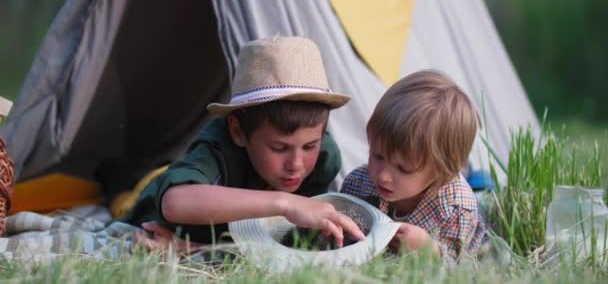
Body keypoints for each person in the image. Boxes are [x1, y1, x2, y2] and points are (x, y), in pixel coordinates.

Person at [121, 36, 365, 251]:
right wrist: (287, 203)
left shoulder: (325, 157)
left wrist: (193, 249)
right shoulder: (217, 149)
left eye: (309, 146)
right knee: (125, 192)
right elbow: (175, 203)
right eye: (279, 148)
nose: (296, 164)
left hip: (211, 238)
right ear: (238, 132)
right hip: (152, 199)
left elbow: (283, 239)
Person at [340, 70, 488, 264]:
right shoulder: (359, 184)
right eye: (377, 155)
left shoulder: (458, 211)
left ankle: (483, 187)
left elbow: (464, 268)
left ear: (441, 174)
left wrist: (430, 250)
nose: (383, 176)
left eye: (403, 169)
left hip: (470, 221)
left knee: (485, 202)